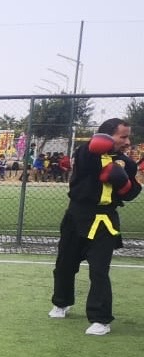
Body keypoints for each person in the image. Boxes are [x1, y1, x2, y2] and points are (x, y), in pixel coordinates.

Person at [49, 119, 140, 336]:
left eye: (128, 136)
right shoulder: (86, 153)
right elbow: (88, 159)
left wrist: (125, 184)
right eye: (123, 136)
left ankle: (101, 319)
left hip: (105, 221)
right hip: (77, 216)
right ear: (107, 136)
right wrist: (102, 152)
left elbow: (132, 192)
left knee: (99, 270)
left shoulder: (127, 163)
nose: (128, 142)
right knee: (65, 265)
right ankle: (62, 302)